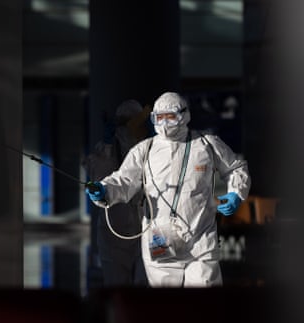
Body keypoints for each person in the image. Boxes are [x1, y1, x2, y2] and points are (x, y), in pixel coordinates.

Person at [85, 91, 251, 287]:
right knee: (165, 309)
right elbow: (124, 180)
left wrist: (235, 193)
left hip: (200, 239)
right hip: (160, 240)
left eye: (170, 117)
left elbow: (235, 167)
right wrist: (105, 190)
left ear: (184, 115)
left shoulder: (206, 143)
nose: (164, 123)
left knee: (205, 305)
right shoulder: (144, 150)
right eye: (159, 117)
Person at [82, 99, 152, 287]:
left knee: (144, 284)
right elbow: (100, 175)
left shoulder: (152, 151)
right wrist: (106, 146)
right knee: (118, 289)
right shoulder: (107, 151)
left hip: (145, 232)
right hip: (113, 234)